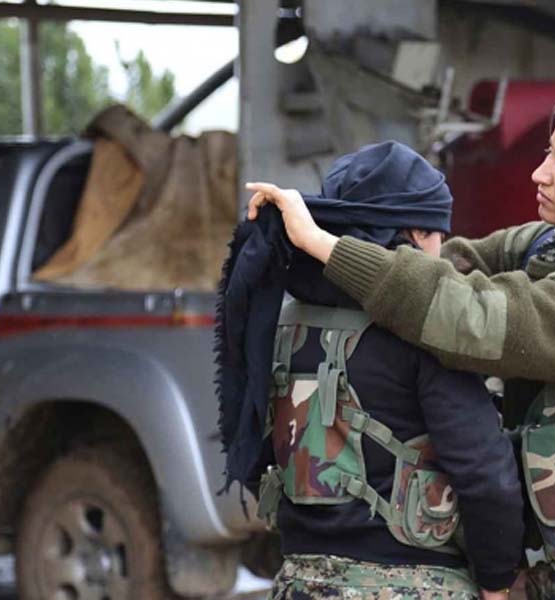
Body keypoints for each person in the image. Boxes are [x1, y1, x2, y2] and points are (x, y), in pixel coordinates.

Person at [246, 89, 555, 599]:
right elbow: (445, 268)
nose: (541, 173)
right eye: (548, 153)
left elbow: (477, 318)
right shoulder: (548, 245)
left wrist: (325, 245)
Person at [219, 141, 523, 600]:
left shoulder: (280, 318)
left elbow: (255, 449)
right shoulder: (422, 332)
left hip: (300, 580)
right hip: (416, 583)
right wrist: (498, 580)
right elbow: (484, 473)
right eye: (438, 235)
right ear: (417, 234)